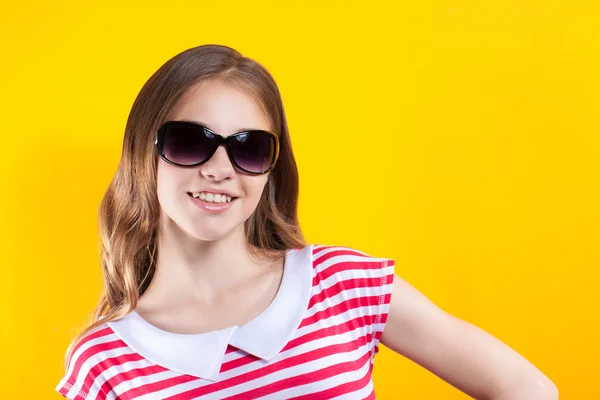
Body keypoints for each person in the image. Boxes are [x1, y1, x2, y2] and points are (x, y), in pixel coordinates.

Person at [56, 44, 558, 399]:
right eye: (191, 141)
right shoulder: (104, 362)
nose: (220, 169)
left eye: (249, 149)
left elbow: (527, 388)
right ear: (145, 153)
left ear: (272, 169)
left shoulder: (342, 283)